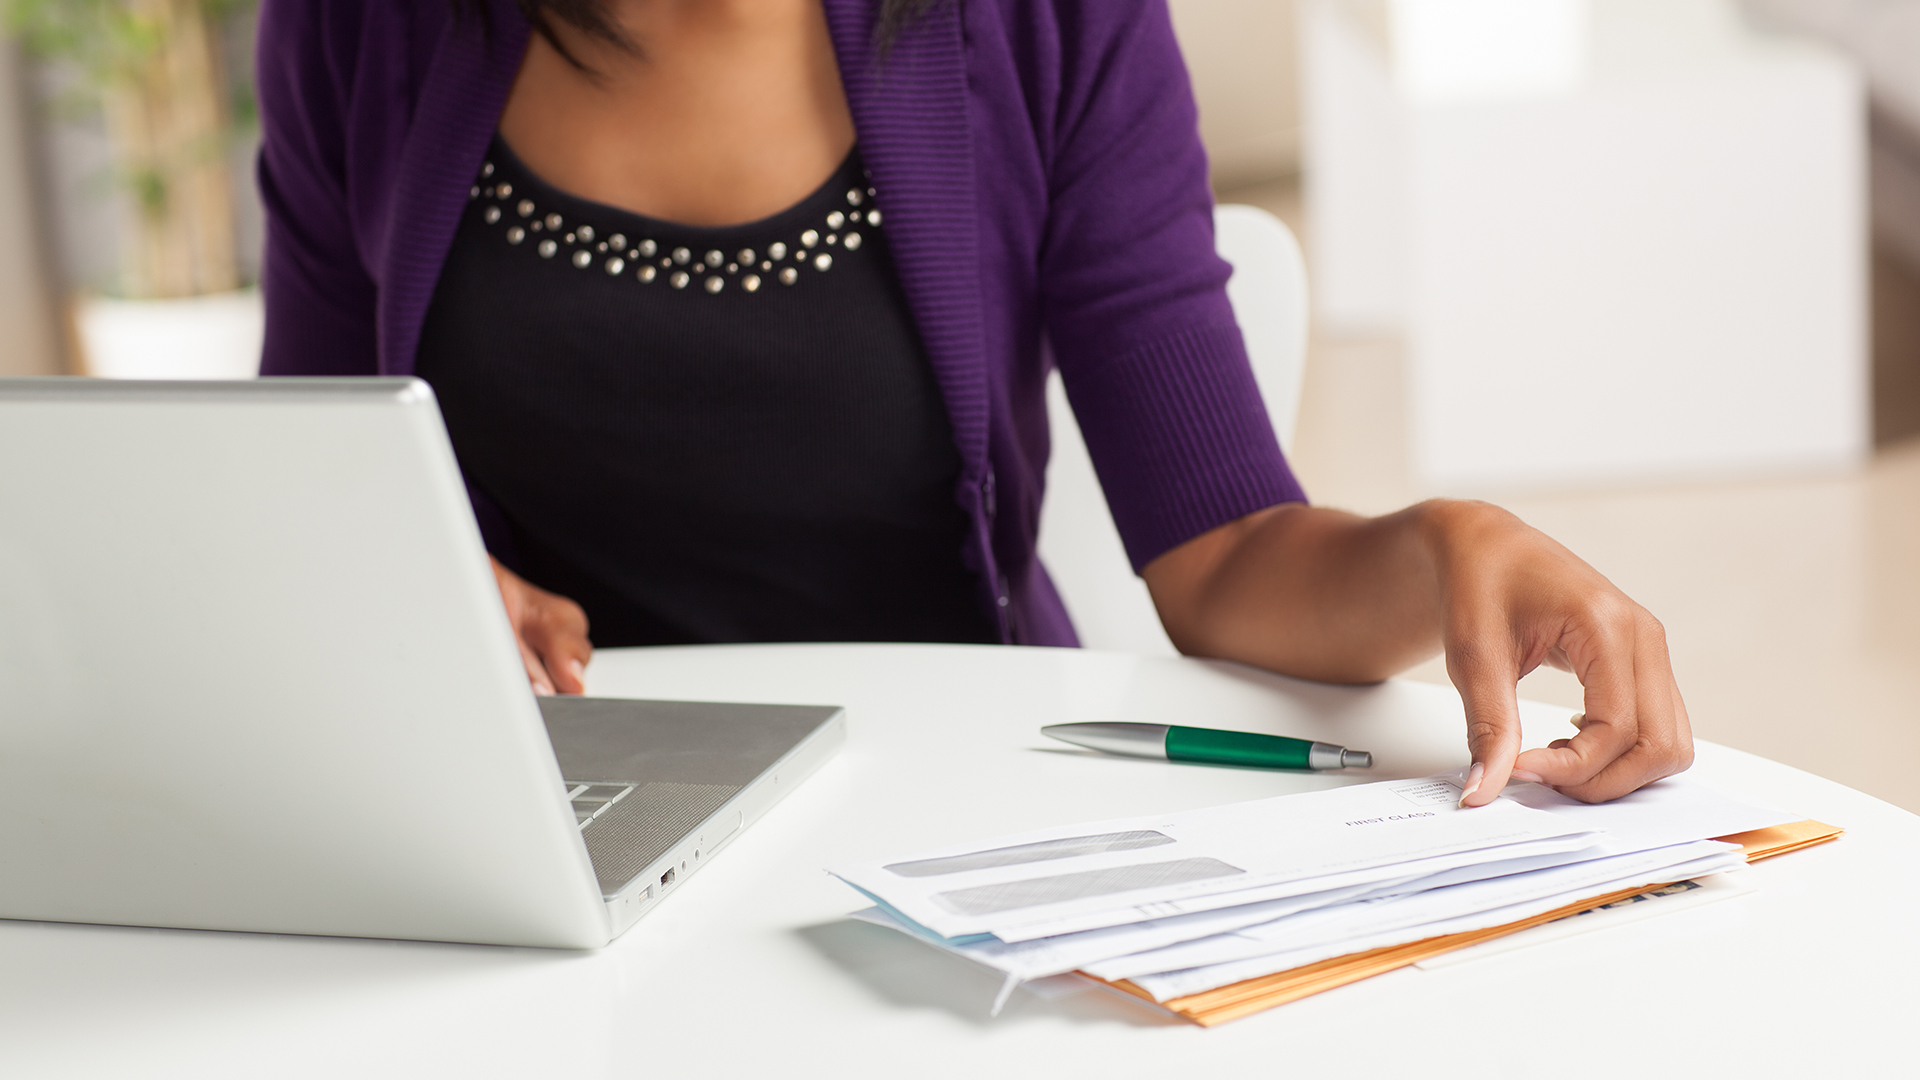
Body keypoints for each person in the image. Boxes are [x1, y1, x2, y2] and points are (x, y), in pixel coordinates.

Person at [254, 0, 1692, 808]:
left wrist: (1448, 548)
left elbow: (1230, 550)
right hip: (537, 807)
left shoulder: (1048, 23)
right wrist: (416, 576)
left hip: (957, 807)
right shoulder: (353, 33)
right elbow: (302, 483)